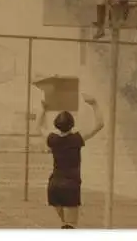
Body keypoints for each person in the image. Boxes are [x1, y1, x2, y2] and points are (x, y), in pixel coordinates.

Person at [36, 94, 104, 229]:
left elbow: (38, 127)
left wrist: (43, 109)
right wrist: (94, 104)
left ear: (57, 124)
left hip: (54, 184)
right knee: (70, 225)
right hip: (71, 184)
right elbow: (99, 124)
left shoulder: (52, 139)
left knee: (64, 224)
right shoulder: (77, 139)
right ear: (72, 124)